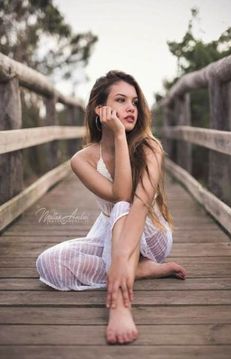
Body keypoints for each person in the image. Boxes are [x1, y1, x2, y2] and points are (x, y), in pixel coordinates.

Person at [36, 70, 186, 345]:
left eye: (135, 102)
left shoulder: (149, 147)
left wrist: (117, 260)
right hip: (110, 233)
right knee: (47, 263)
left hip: (150, 235)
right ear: (99, 109)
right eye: (121, 100)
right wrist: (117, 137)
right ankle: (140, 270)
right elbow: (118, 192)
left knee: (121, 207)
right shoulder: (82, 160)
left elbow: (134, 204)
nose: (131, 108)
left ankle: (119, 304)